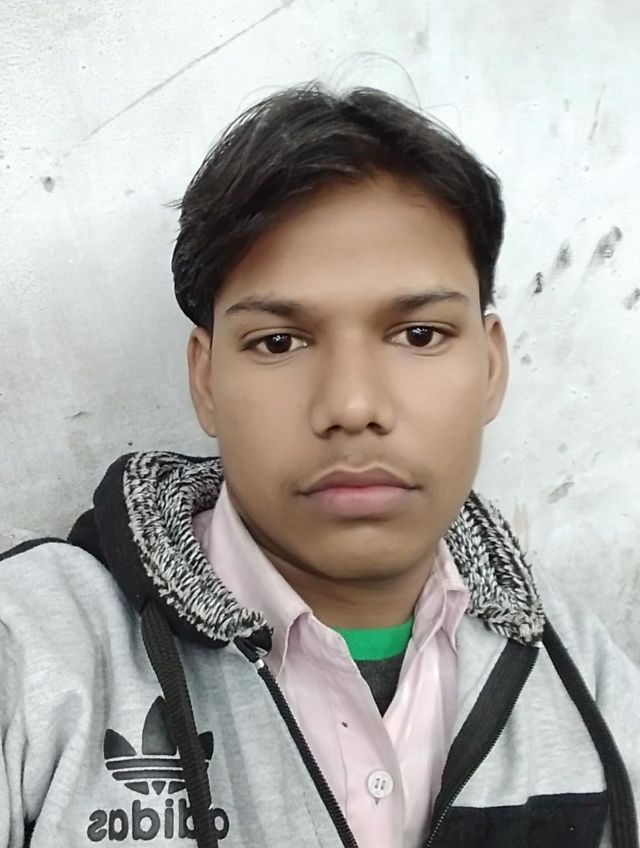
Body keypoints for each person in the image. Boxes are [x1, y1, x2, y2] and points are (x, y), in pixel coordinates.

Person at [1, 83, 638, 848]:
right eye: (279, 342)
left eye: (419, 335)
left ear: (493, 367)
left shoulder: (583, 674)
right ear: (206, 380)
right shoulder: (36, 654)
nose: (352, 404)